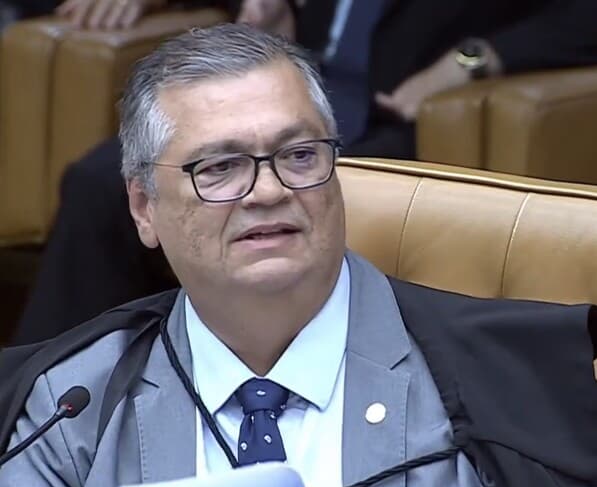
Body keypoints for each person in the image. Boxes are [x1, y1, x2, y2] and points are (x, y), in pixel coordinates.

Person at [1, 22, 597, 487]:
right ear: (143, 208)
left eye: (300, 155)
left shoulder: (493, 387)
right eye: (219, 167)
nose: (269, 191)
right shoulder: (69, 407)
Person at [12, 0, 597, 344]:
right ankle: (46, 396)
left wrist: (476, 58)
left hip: (408, 112)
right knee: (101, 180)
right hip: (290, 82)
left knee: (307, 189)